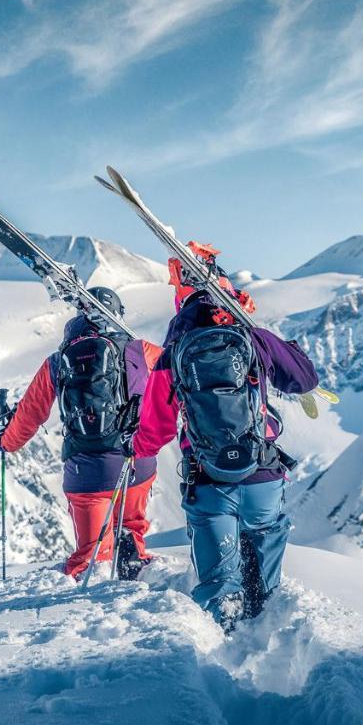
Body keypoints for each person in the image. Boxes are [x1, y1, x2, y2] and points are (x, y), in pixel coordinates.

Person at [131, 244, 318, 630]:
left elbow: (155, 428)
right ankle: (267, 638)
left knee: (219, 586)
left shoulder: (174, 353)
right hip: (262, 478)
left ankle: (220, 656)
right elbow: (304, 379)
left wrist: (138, 450)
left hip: (209, 482)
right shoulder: (254, 339)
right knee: (263, 585)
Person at [0, 287, 162, 580]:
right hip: (138, 463)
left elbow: (29, 415)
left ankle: (93, 606)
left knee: (91, 557)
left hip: (88, 472)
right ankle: (135, 570)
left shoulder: (59, 361)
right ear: (118, 315)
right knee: (132, 526)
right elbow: (181, 384)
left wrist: (6, 443)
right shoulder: (143, 351)